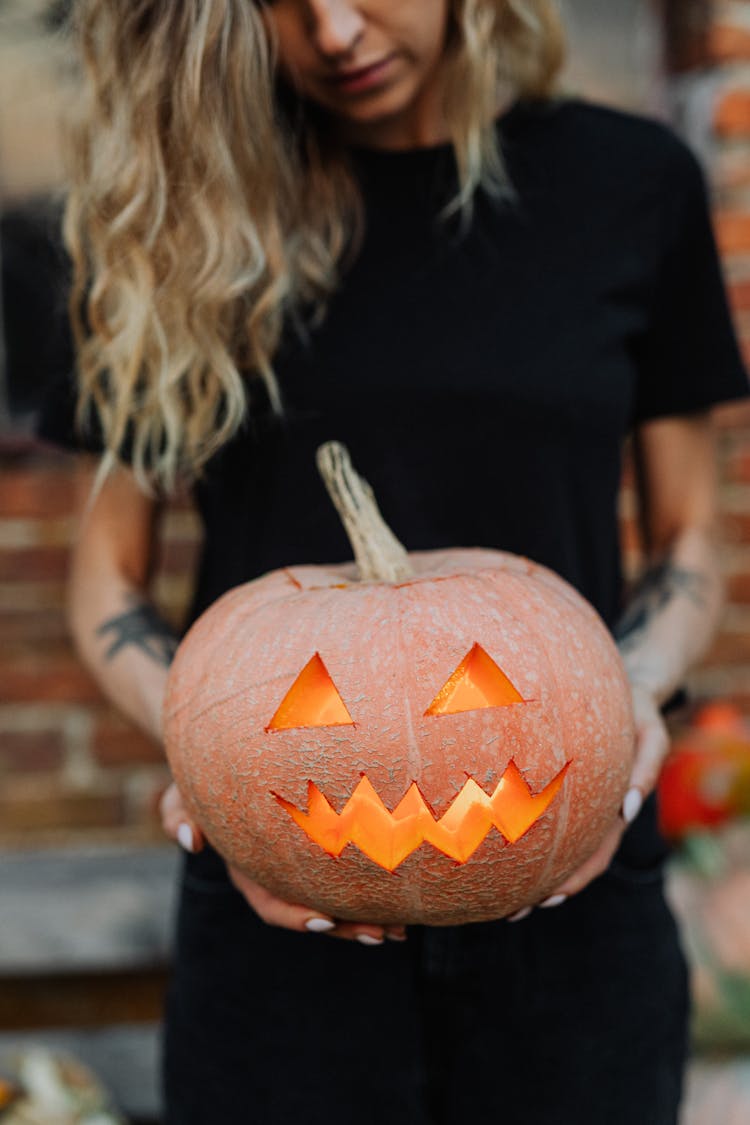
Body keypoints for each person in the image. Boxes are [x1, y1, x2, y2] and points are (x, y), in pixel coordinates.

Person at [39, 1, 749, 1122]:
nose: (332, 31)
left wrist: (623, 697)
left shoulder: (632, 183)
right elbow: (108, 584)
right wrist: (216, 755)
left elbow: (691, 539)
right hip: (280, 879)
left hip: (573, 860)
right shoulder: (185, 213)